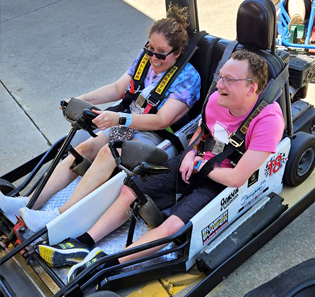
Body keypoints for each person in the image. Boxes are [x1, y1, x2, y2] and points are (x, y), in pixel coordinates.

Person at [36, 50, 285, 282]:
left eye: (229, 80)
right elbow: (203, 132)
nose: (220, 85)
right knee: (131, 189)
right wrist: (191, 154)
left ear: (252, 87)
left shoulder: (269, 121)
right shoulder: (216, 99)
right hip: (197, 162)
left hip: (222, 180)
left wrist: (200, 164)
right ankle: (84, 242)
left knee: (175, 225)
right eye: (221, 77)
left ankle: (106, 263)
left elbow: (237, 178)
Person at [0, 4, 201, 232]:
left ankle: (58, 216)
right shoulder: (145, 61)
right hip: (128, 124)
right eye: (150, 49)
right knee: (85, 148)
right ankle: (28, 203)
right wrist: (78, 100)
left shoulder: (188, 78)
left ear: (177, 52)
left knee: (109, 151)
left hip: (157, 138)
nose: (153, 57)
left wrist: (119, 119)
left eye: (160, 52)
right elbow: (117, 89)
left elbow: (161, 120)